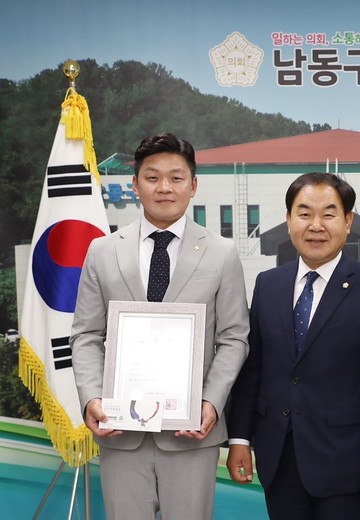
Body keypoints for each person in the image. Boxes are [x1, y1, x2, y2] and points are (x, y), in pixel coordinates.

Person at [70, 132, 249, 520]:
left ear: (193, 185)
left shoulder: (222, 253)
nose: (164, 187)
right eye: (152, 177)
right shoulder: (103, 250)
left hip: (191, 433)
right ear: (135, 185)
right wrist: (91, 398)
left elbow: (234, 338)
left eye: (176, 177)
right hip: (120, 431)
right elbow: (86, 334)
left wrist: (211, 403)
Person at [226, 172, 360, 520]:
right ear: (289, 219)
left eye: (328, 214)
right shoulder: (268, 284)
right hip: (279, 457)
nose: (316, 225)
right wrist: (239, 439)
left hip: (347, 463)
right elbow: (254, 371)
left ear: (348, 221)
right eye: (305, 213)